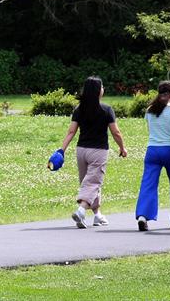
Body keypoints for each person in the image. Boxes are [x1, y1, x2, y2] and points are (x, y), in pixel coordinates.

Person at [55, 76, 127, 229]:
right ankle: (81, 211)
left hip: (81, 151)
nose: (103, 89)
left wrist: (62, 149)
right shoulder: (106, 109)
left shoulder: (79, 109)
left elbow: (71, 131)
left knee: (88, 183)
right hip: (98, 151)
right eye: (102, 87)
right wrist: (122, 148)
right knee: (93, 182)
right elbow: (116, 132)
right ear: (97, 91)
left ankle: (97, 215)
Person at [134, 80, 170, 231]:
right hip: (169, 150)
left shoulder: (149, 110)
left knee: (148, 184)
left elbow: (151, 131)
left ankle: (143, 215)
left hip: (152, 150)